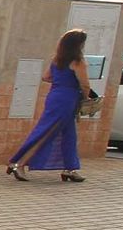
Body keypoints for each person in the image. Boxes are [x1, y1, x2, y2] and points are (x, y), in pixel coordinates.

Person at [7, 28, 91, 183]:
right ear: (78, 45)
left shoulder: (57, 59)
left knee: (68, 134)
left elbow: (46, 77)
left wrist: (61, 82)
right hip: (68, 99)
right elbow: (85, 85)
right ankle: (19, 163)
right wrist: (85, 98)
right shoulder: (78, 62)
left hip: (55, 95)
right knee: (48, 132)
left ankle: (70, 168)